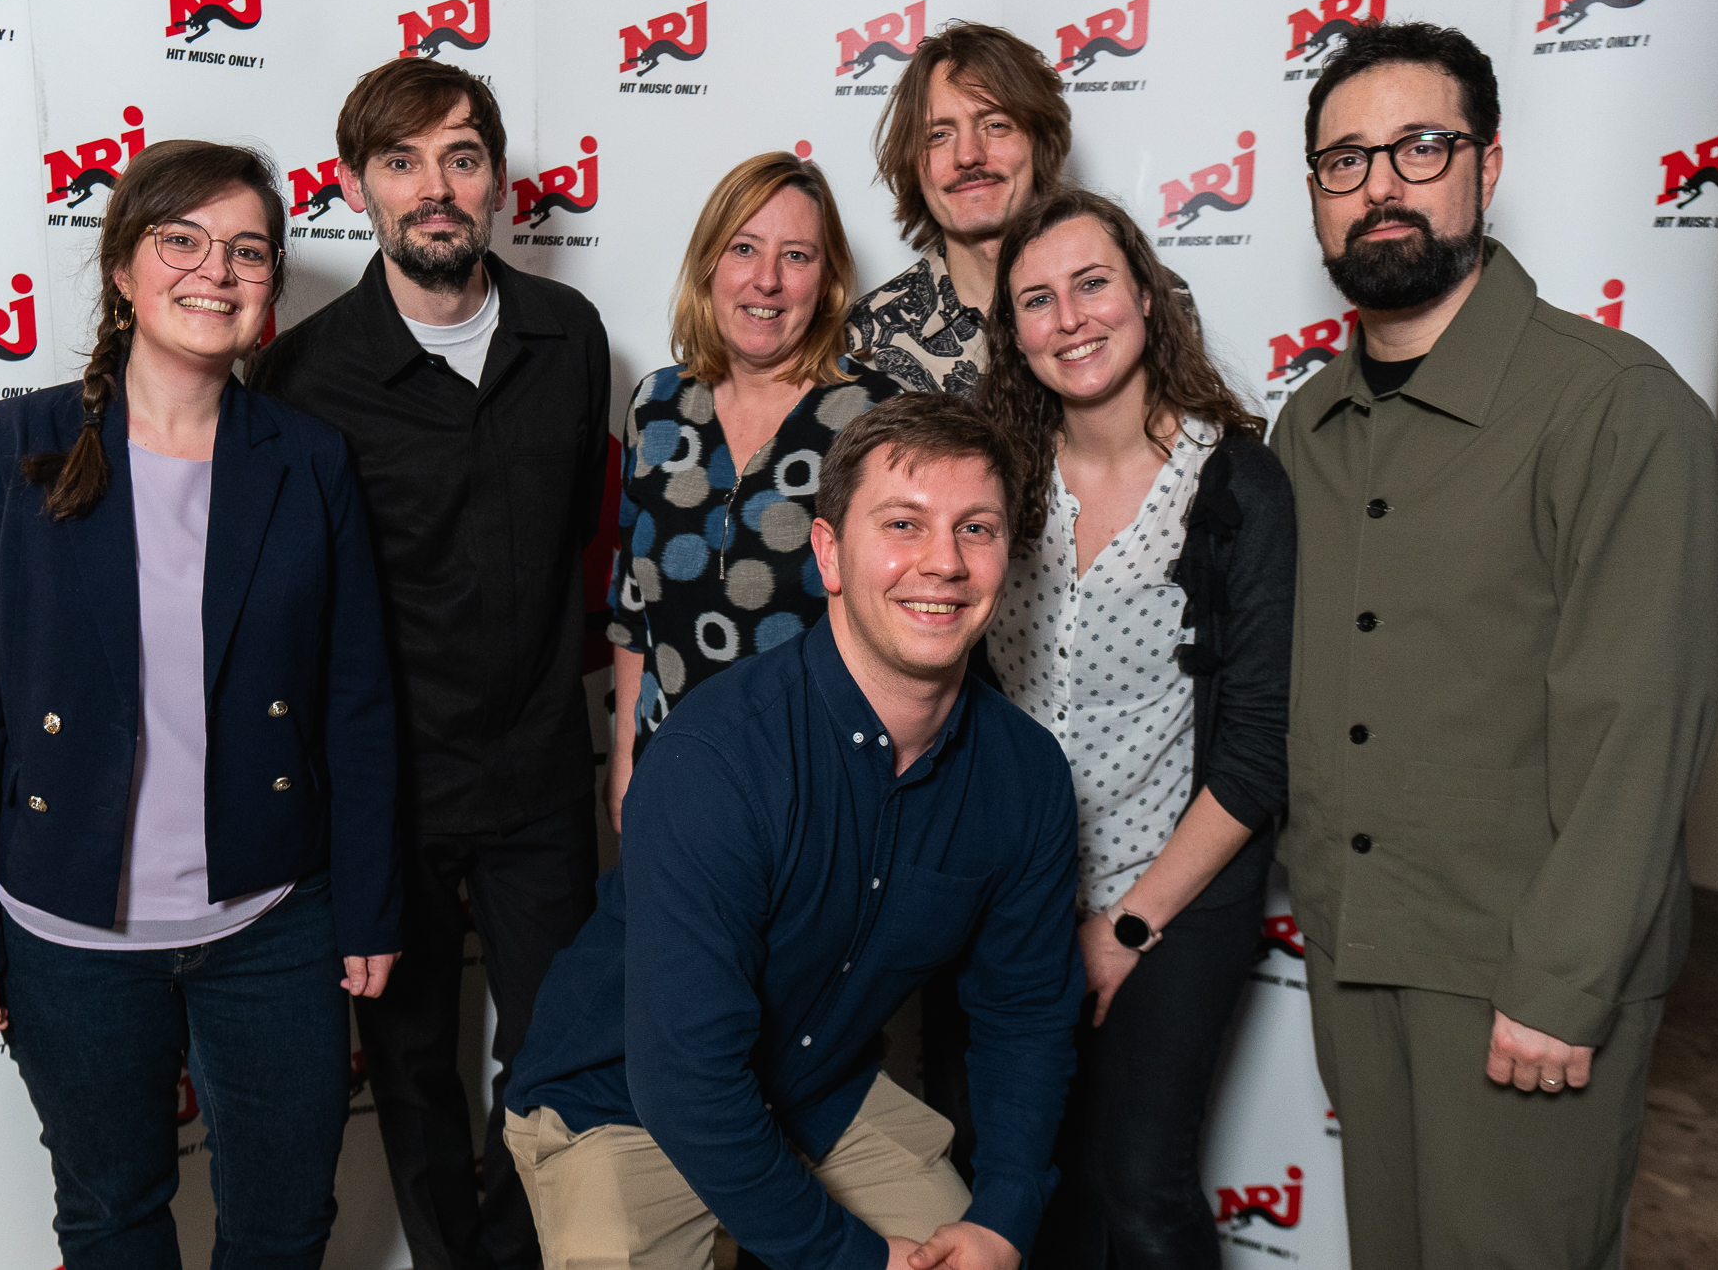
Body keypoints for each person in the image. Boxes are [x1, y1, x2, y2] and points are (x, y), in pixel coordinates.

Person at [1273, 20, 1718, 1270]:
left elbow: (1640, 725)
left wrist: (1560, 983)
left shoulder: (1615, 407)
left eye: (1419, 148)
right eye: (1344, 161)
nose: (1380, 187)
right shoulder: (1304, 429)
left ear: (1487, 163)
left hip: (1520, 978)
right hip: (1357, 954)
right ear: (1314, 195)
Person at [0, 139, 402, 1270]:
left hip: (272, 920)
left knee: (284, 1226)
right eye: (181, 240)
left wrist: (371, 906)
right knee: (110, 1218)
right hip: (65, 935)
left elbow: (358, 700)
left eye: (247, 250)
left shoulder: (308, 459)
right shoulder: (13, 447)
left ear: (270, 287)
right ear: (124, 268)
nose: (215, 271)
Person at [505, 395, 1083, 1270]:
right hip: (619, 1104)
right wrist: (853, 1259)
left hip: (815, 1089)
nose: (944, 562)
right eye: (903, 523)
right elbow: (687, 1079)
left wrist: (1004, 1216)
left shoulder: (1025, 774)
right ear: (828, 553)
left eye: (976, 528)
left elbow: (1026, 1015)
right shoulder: (716, 755)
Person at [246, 56, 610, 1270]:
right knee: (407, 1064)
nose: (434, 187)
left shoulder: (569, 337)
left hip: (539, 771)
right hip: (380, 788)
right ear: (357, 186)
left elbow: (579, 535)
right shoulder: (303, 373)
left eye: (460, 157)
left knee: (558, 1053)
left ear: (496, 180)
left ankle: (511, 1256)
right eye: (401, 161)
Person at [974, 187, 1293, 1267]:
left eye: (1091, 283)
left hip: (1177, 886)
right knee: (1024, 1181)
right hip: (1016, 895)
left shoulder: (1236, 484)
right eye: (1036, 299)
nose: (1068, 318)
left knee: (1139, 1184)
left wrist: (1123, 929)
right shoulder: (999, 481)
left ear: (1147, 297)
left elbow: (1256, 754)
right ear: (1013, 332)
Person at [605, 151, 903, 825]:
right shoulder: (656, 404)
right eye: (744, 248)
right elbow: (631, 606)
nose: (767, 279)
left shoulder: (876, 418)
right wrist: (625, 758)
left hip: (817, 792)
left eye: (796, 256)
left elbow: (901, 622)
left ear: (827, 280)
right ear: (710, 262)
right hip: (673, 776)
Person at [845, 23, 1192, 395]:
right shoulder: (866, 339)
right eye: (938, 135)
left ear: (1040, 142)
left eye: (996, 125)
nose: (968, 156)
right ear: (913, 164)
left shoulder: (1150, 300)